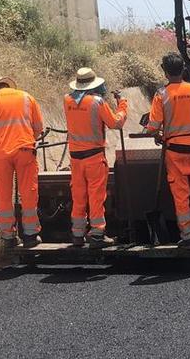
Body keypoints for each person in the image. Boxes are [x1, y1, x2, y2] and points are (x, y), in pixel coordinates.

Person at [145, 53, 190, 249]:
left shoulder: (161, 94)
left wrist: (157, 134)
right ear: (183, 69)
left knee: (181, 195)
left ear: (165, 71)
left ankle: (188, 236)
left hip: (175, 152)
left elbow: (152, 126)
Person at [0, 76, 44, 249]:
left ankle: (8, 237)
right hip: (25, 150)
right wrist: (28, 140)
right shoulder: (27, 97)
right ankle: (30, 235)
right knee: (28, 192)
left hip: (1, 156)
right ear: (8, 86)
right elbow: (39, 128)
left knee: (4, 196)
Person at [65, 67, 128, 249]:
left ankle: (77, 234)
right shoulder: (97, 102)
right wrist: (122, 104)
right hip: (94, 157)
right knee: (96, 196)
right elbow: (116, 122)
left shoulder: (66, 100)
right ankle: (97, 234)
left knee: (78, 196)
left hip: (75, 159)